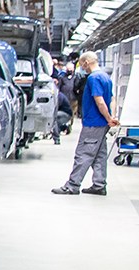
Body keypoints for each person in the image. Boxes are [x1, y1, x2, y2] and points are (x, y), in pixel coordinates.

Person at [52, 52, 118, 195]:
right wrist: (111, 117)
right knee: (99, 155)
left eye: (82, 64)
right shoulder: (106, 77)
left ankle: (72, 185)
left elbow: (99, 101)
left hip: (93, 123)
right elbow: (112, 99)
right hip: (102, 124)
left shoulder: (93, 78)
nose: (81, 67)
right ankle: (99, 185)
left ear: (86, 62)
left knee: (83, 154)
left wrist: (107, 118)